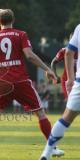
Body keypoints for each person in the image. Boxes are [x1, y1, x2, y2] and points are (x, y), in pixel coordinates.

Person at [0, 9, 64, 159]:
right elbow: (30, 56)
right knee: (40, 113)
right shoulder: (21, 34)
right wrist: (47, 69)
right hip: (20, 81)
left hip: (1, 82)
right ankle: (53, 148)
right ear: (13, 20)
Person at [39, 24, 80, 160]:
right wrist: (56, 75)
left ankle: (47, 153)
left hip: (77, 81)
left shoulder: (79, 28)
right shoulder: (63, 50)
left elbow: (69, 52)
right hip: (70, 80)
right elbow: (54, 61)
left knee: (66, 118)